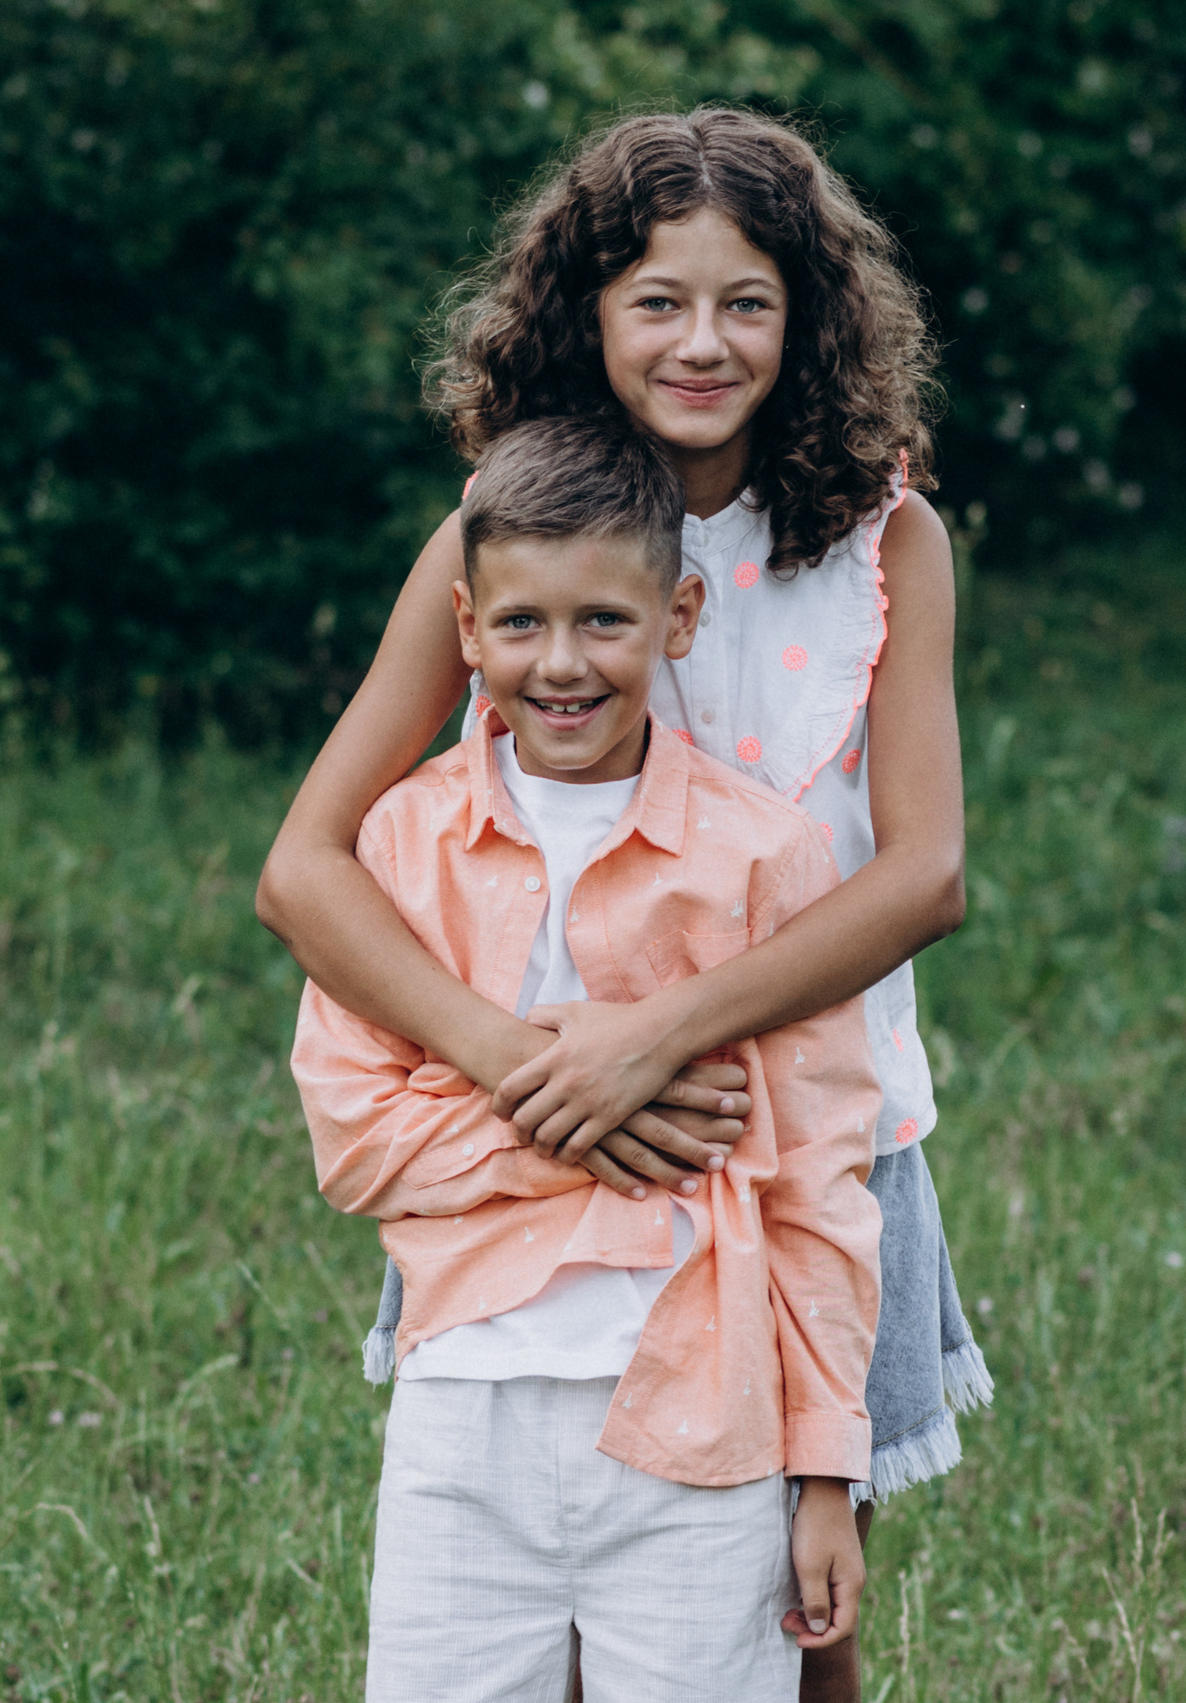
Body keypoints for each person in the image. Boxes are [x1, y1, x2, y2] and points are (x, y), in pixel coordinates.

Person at [257, 106, 989, 1702]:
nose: (702, 342)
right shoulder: (499, 542)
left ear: (810, 318)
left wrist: (649, 1042)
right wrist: (530, 1068)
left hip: (794, 1138)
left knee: (803, 1608)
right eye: (657, 299)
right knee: (544, 1582)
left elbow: (922, 871)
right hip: (522, 1129)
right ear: (586, 314)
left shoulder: (882, 542)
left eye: (748, 302)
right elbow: (305, 867)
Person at [293, 413, 884, 1701]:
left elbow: (818, 1185)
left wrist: (829, 1473)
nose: (561, 664)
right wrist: (588, 1119)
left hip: (703, 1420)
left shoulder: (762, 858)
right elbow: (354, 1134)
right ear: (466, 629)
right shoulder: (405, 848)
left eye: (604, 623)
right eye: (521, 626)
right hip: (464, 1410)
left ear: (678, 619)